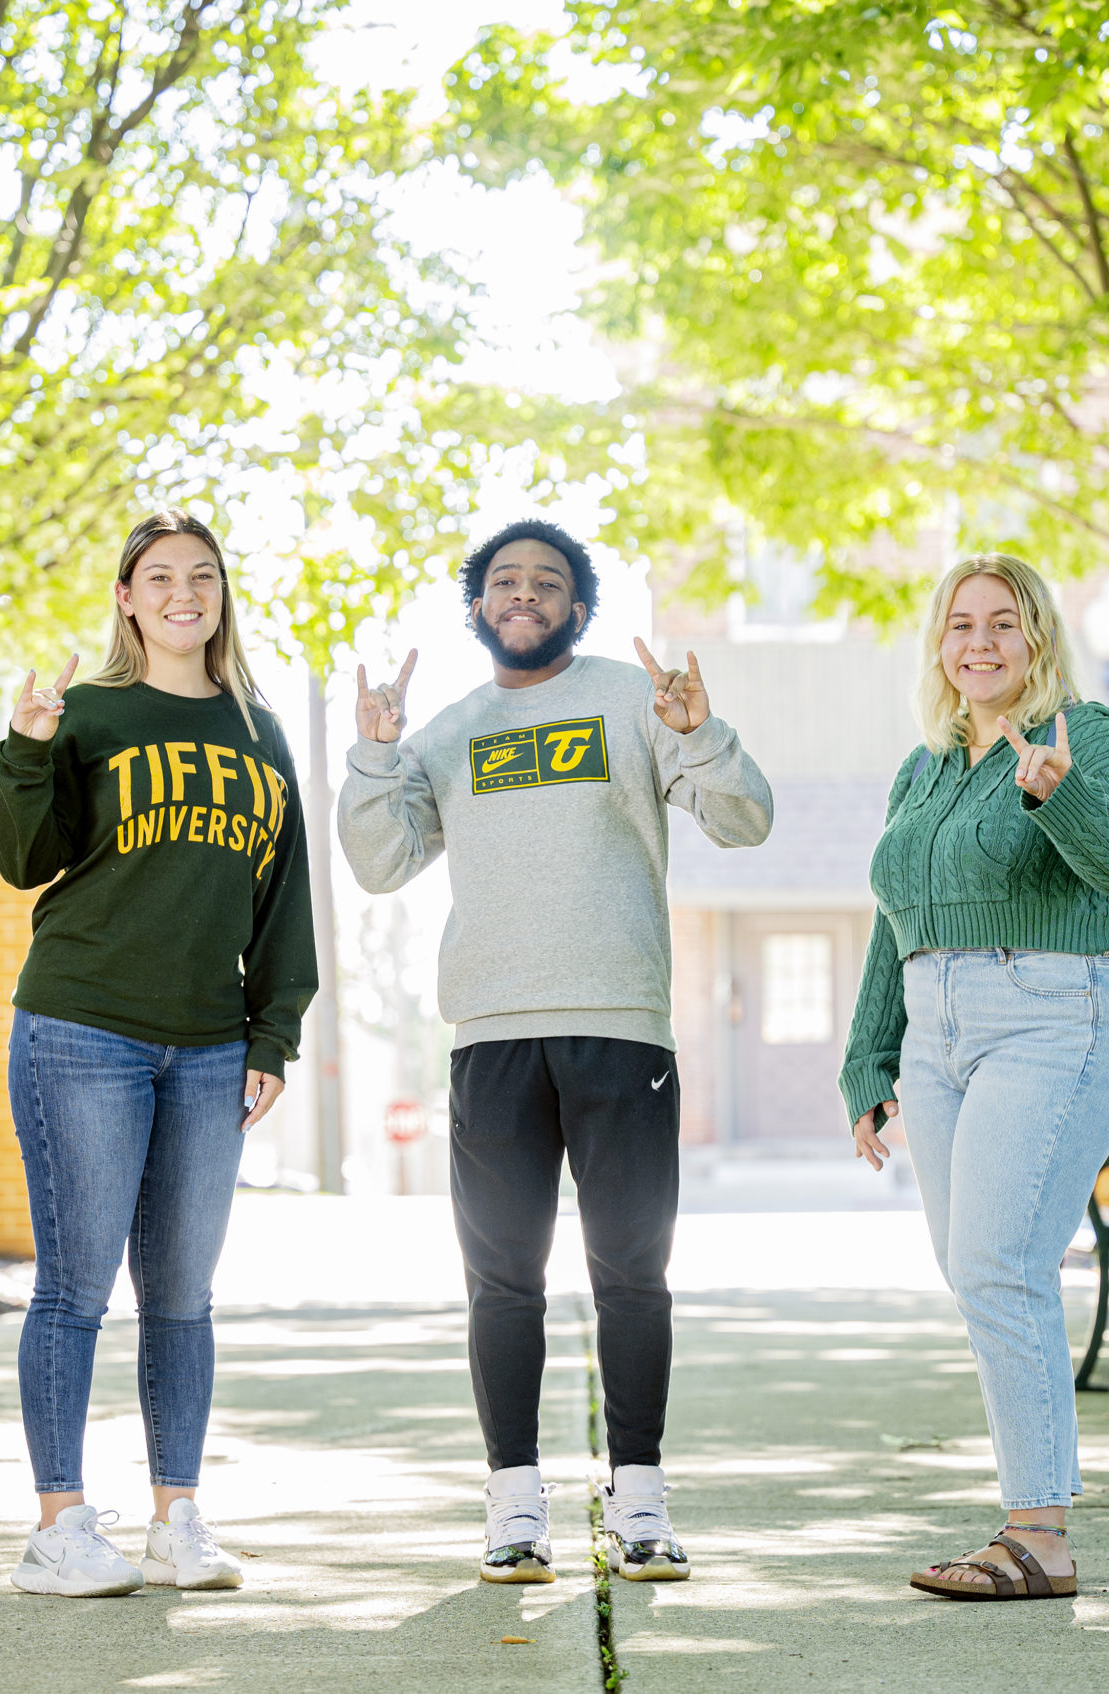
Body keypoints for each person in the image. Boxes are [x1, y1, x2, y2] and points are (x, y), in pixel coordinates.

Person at [338, 519, 773, 1585]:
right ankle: (514, 1504)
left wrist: (702, 732)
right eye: (502, 581)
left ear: (576, 607)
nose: (521, 593)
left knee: (632, 1275)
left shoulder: (636, 703)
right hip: (491, 1034)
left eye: (545, 581)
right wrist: (376, 754)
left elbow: (746, 820)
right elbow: (380, 862)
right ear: (477, 606)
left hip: (620, 1025)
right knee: (501, 1281)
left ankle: (642, 1503)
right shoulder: (443, 732)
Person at [0, 510, 316, 1598]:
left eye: (204, 575)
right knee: (75, 1286)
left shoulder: (260, 730)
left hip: (210, 1047)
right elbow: (22, 861)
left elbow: (284, 904)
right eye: (160, 576)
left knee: (182, 1294)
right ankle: (59, 1525)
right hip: (82, 1026)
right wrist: (29, 749)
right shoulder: (86, 714)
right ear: (126, 597)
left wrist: (272, 1029)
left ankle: (178, 1517)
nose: (185, 592)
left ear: (222, 594)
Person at [840, 554, 1109, 1602]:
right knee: (975, 1265)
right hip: (938, 1032)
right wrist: (868, 1056)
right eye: (959, 625)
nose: (977, 641)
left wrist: (1060, 796)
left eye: (1001, 622)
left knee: (997, 1261)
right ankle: (1032, 1520)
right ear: (939, 646)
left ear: (1037, 637)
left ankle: (1040, 1531)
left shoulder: (1091, 733)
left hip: (1054, 1012)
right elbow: (894, 920)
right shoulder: (925, 766)